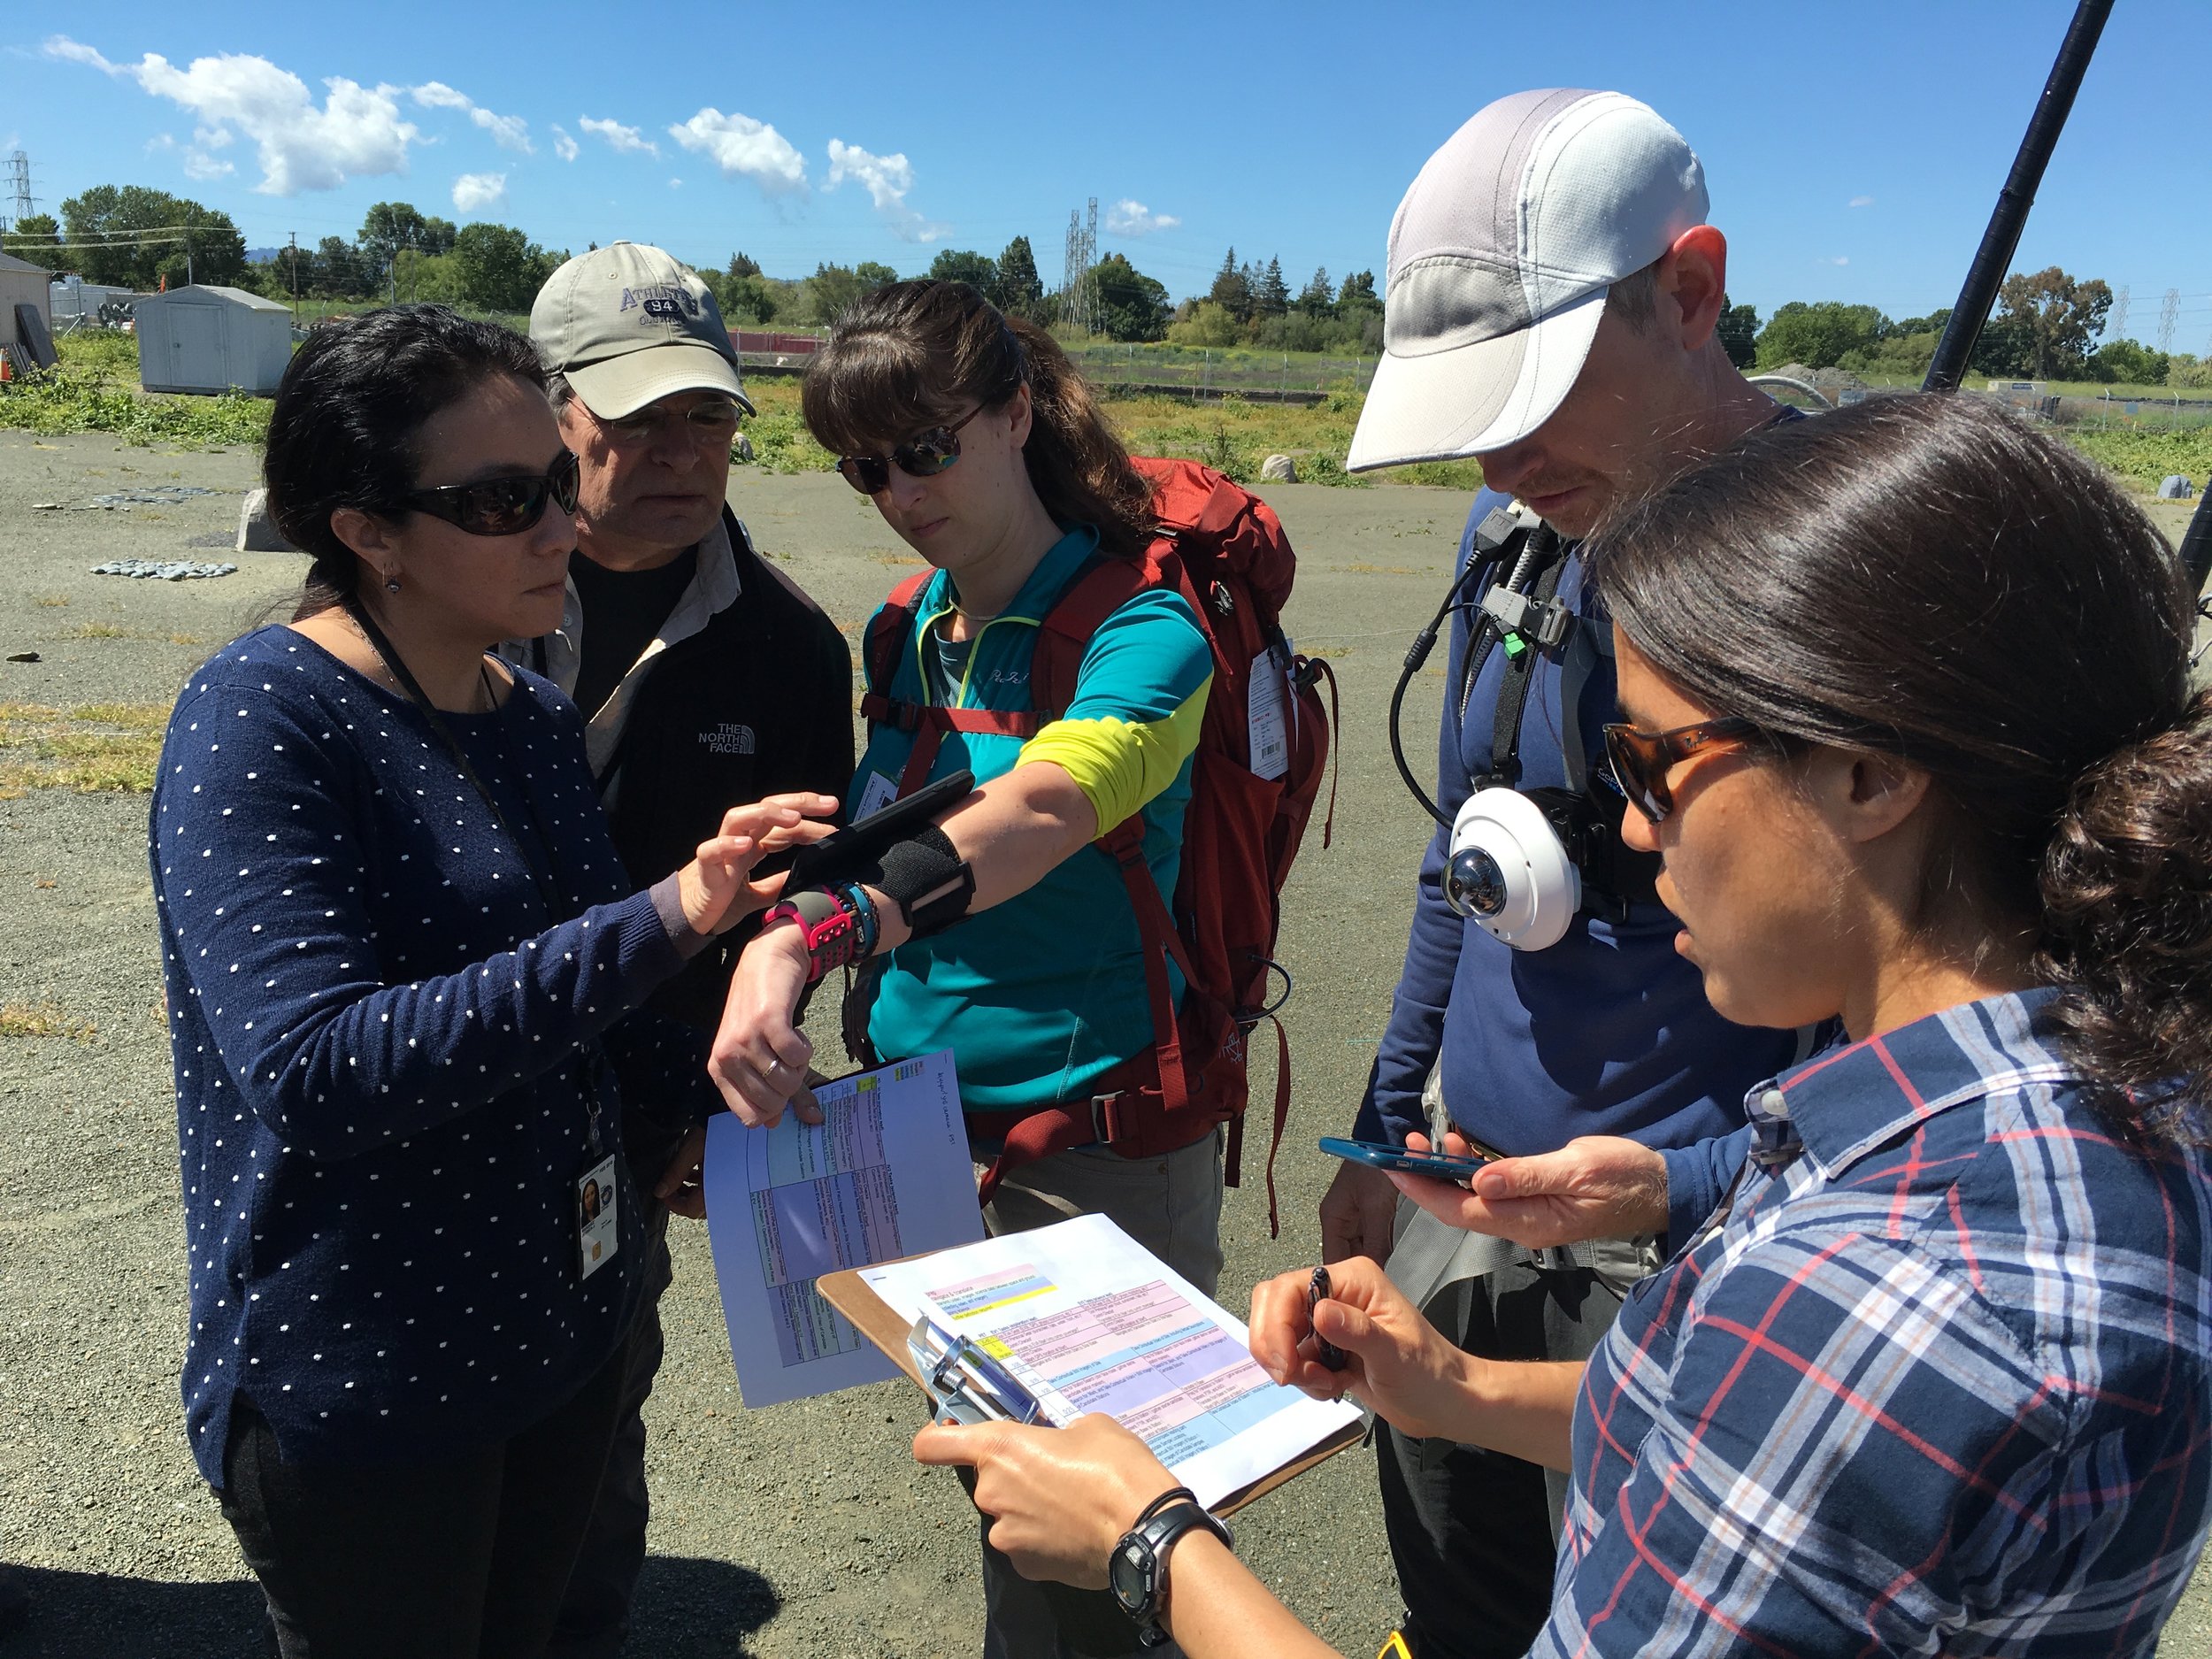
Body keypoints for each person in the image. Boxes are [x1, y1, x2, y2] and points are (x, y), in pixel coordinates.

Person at [919, 388, 2212, 1657]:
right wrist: (1464, 1392)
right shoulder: (2109, 1112)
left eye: (1651, 764)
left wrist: (1154, 1546)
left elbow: (1804, 1394)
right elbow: (1748, 1440)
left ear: (1872, 776)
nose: (1636, 833)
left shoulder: (1860, 1297)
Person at [150, 303, 833, 1659]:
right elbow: (315, 1071)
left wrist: (699, 1116)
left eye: (555, 488)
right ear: (366, 530)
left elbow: (597, 996)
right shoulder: (261, 720)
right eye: (505, 500)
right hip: (371, 1375)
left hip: (561, 1334)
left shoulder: (518, 711)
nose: (562, 531)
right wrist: (674, 912)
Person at [1313, 89, 1812, 1658]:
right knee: (1459, 1606)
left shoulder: (1852, 571)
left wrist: (1702, 1185)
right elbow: (1458, 855)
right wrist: (1386, 1129)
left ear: (1692, 289)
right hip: (1470, 1193)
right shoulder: (1514, 528)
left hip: (1717, 1244)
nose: (1499, 449)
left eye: (1529, 390)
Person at [707, 278, 1217, 1658]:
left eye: (926, 449)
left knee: (1111, 1558)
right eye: (866, 466)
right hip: (928, 1143)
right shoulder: (907, 629)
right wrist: (778, 930)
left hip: (1092, 1153)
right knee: (1008, 1507)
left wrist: (814, 937)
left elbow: (1045, 809)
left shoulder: (1146, 636)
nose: (898, 491)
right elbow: (877, 833)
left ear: (1014, 413)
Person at [518, 242, 854, 1659]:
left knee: (595, 1412)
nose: (678, 453)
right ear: (551, 412)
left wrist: (712, 1110)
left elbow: (800, 898)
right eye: (636, 418)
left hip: (637, 1115)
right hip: (440, 1089)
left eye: (705, 417)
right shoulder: (454, 590)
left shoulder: (787, 646)